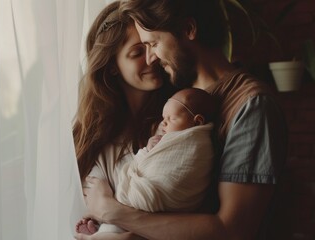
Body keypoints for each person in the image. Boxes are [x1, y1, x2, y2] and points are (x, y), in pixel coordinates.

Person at [76, 0, 288, 239]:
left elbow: (233, 230)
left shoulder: (251, 105)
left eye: (153, 43)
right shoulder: (174, 100)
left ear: (189, 30)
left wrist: (113, 212)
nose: (151, 58)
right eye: (141, 48)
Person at [72, 1, 177, 239]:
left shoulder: (175, 121)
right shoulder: (93, 138)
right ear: (112, 67)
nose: (152, 58)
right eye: (137, 52)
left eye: (152, 46)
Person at [76, 88, 217, 236]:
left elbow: (183, 168)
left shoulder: (196, 143)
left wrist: (146, 153)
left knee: (124, 212)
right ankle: (103, 227)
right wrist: (147, 150)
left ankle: (104, 229)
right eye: (164, 118)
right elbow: (150, 161)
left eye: (172, 119)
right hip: (147, 199)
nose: (164, 124)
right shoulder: (163, 135)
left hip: (165, 198)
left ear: (198, 121)